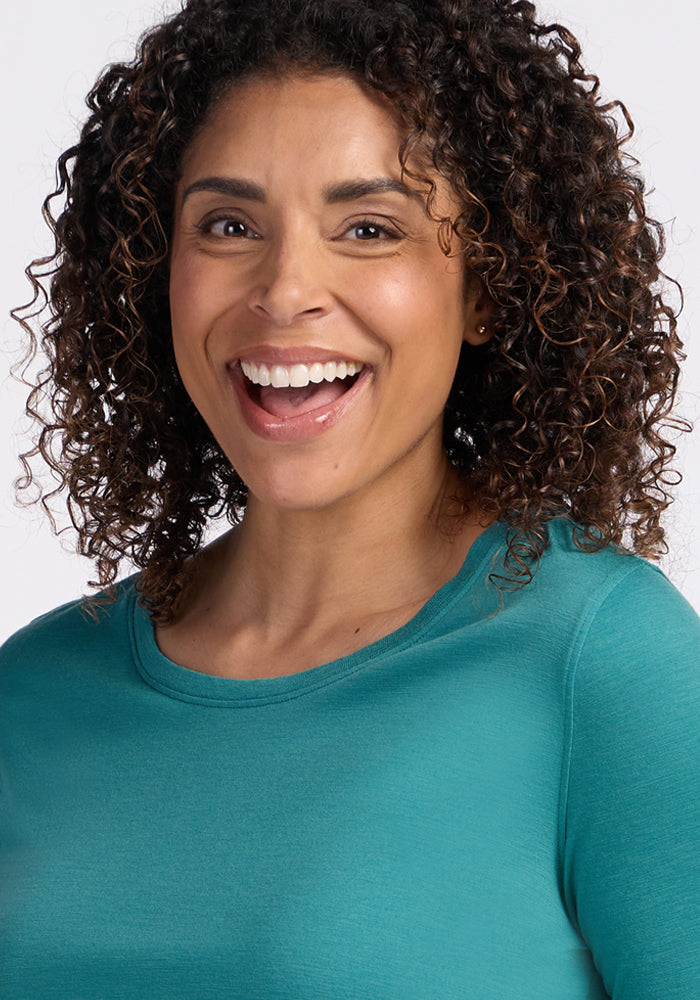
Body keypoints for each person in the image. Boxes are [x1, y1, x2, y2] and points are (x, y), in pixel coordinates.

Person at [2, 0, 699, 995]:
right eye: (229, 224)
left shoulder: (603, 667)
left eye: (368, 228)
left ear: (490, 284)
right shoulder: (30, 695)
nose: (285, 289)